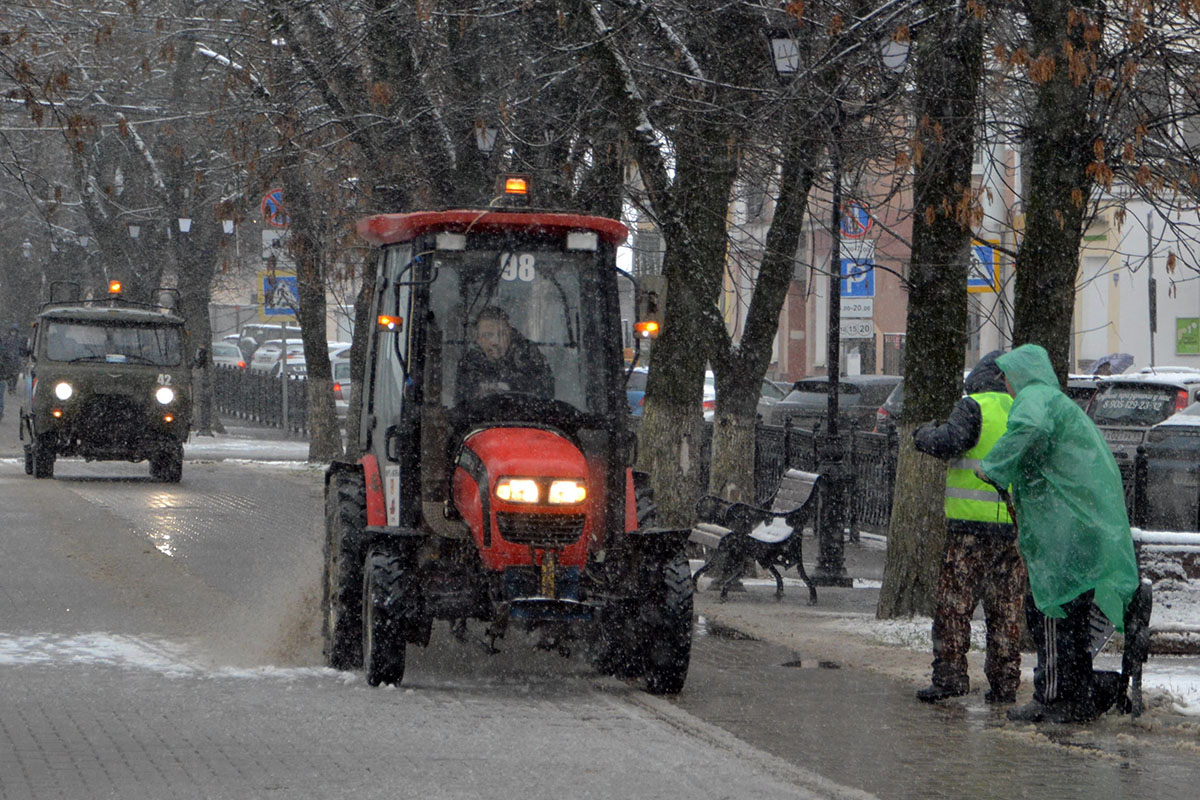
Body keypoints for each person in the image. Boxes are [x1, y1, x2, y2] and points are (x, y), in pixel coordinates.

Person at [977, 343, 1140, 724]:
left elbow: (1029, 428)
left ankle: (1051, 698)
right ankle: (1080, 695)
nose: (1008, 386)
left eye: (1008, 378)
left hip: (1063, 528)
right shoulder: (1059, 403)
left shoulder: (1035, 398)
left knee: (1050, 609)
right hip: (1084, 525)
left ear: (1020, 375)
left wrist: (994, 467)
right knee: (1071, 616)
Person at [912, 351, 1026, 705]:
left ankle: (949, 678)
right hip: (1011, 531)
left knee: (953, 607)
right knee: (1006, 610)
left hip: (969, 532)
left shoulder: (972, 406)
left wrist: (923, 433)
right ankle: (1005, 683)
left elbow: (950, 442)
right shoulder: (1020, 409)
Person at [455, 306, 552, 405]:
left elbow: (544, 394)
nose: (495, 342)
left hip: (525, 418)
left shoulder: (529, 356)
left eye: (501, 334)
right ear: (478, 339)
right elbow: (463, 404)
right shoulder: (469, 363)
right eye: (487, 335)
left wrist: (508, 385)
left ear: (510, 334)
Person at [0, 324, 22, 422]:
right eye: (12, 330)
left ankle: (12, 388)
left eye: (15, 331)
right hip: (6, 365)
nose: (13, 332)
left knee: (14, 377)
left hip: (12, 363)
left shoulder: (18, 340)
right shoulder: (5, 340)